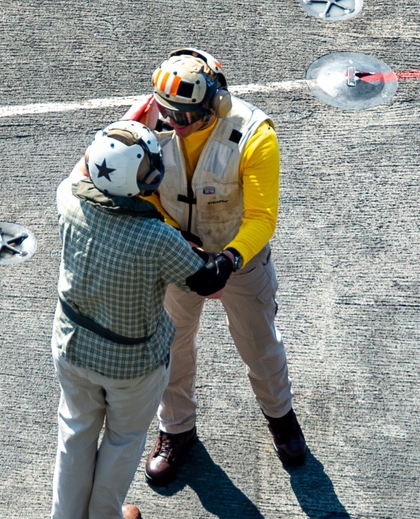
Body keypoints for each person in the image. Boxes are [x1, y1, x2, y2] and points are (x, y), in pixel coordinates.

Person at [51, 120, 233, 519]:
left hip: (73, 347)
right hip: (131, 364)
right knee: (123, 440)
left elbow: (83, 169)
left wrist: (129, 121)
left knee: (75, 433)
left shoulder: (68, 199)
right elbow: (210, 284)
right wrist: (228, 255)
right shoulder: (157, 238)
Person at [129, 48, 309, 486]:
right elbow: (142, 192)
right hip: (176, 256)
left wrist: (228, 260)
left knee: (259, 343)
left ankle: (280, 418)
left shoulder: (255, 135)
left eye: (186, 117)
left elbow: (263, 218)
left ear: (216, 104)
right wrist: (173, 235)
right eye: (168, 113)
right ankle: (177, 429)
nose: (175, 125)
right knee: (171, 347)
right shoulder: (151, 125)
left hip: (240, 260)